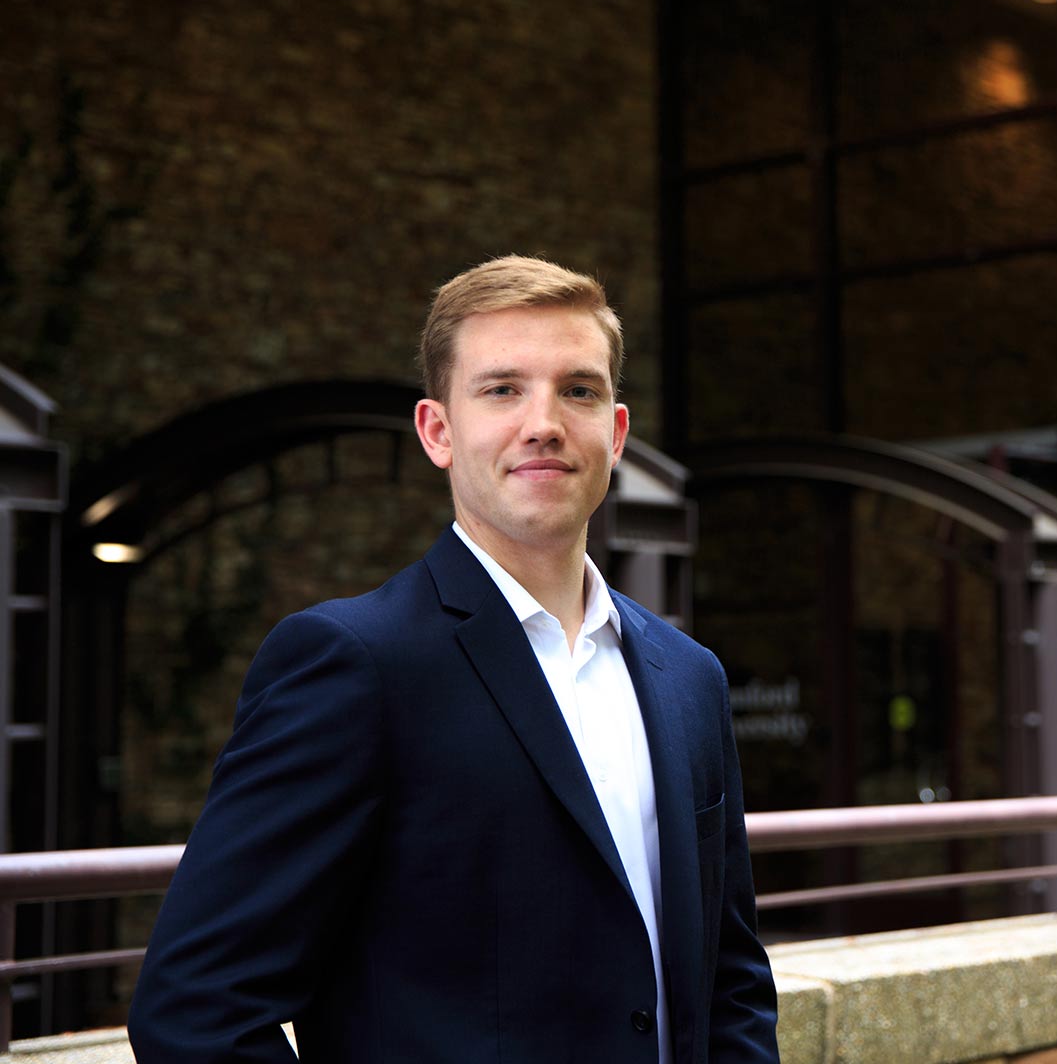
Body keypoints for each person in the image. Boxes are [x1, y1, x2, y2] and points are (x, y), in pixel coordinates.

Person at [127, 255, 780, 1063]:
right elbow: (197, 1008)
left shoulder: (689, 677)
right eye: (502, 389)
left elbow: (732, 983)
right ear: (438, 431)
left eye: (577, 389)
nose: (543, 421)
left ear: (615, 434)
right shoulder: (353, 664)